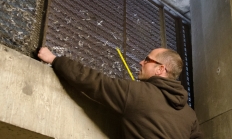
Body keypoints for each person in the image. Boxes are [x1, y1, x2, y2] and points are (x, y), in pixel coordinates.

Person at [38, 47, 202, 139]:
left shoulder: (137, 93)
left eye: (147, 59)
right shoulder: (189, 115)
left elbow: (92, 81)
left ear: (160, 69)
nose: (141, 62)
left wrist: (54, 59)